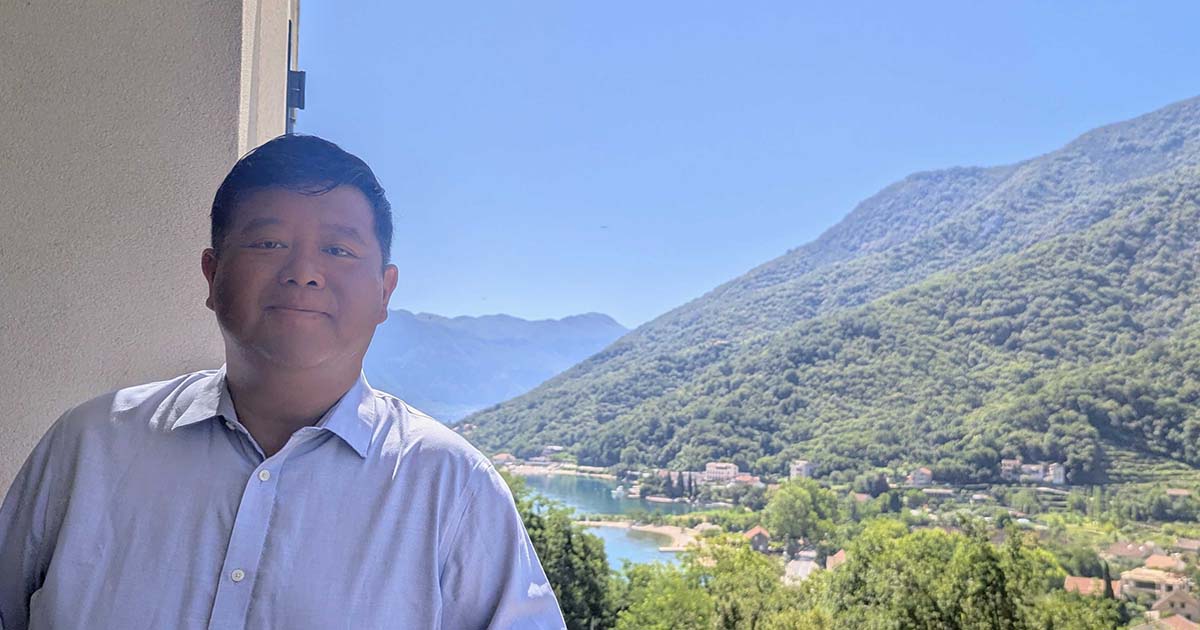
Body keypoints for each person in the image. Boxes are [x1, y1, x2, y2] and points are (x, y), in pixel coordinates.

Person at [0, 135, 566, 629]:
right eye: (269, 243)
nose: (303, 272)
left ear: (385, 291)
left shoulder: (451, 488)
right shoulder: (91, 444)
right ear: (212, 274)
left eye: (338, 249)